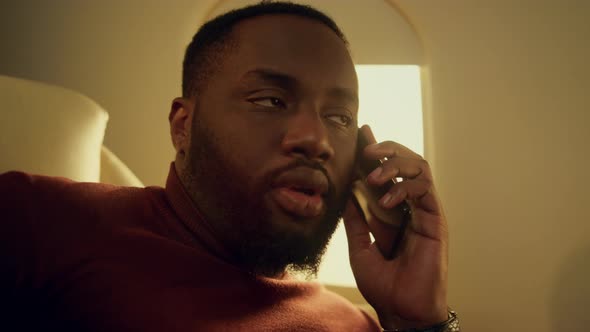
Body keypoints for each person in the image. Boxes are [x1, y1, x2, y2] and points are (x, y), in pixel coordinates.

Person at [0, 2, 458, 331]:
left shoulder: (354, 323)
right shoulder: (42, 221)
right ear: (184, 125)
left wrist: (419, 322)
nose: (316, 140)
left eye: (339, 117)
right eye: (271, 100)